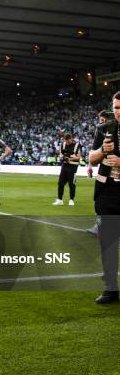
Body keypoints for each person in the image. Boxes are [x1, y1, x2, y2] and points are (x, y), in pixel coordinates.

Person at [88, 91, 120, 305]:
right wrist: (102, 150)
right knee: (107, 243)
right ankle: (110, 289)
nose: (118, 112)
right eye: (116, 108)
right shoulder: (106, 128)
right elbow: (91, 158)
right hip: (107, 193)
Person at [86, 111, 108, 235]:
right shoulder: (99, 132)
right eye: (100, 121)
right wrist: (90, 166)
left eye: (103, 121)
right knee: (99, 199)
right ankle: (98, 226)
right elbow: (93, 151)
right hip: (103, 169)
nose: (101, 123)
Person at [53, 133, 81, 206]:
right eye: (66, 140)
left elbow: (78, 157)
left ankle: (71, 200)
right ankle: (60, 200)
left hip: (73, 167)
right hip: (65, 166)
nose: (67, 142)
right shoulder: (63, 144)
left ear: (71, 139)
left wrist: (70, 158)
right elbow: (60, 154)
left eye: (68, 140)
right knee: (60, 183)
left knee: (72, 184)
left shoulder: (77, 145)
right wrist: (61, 157)